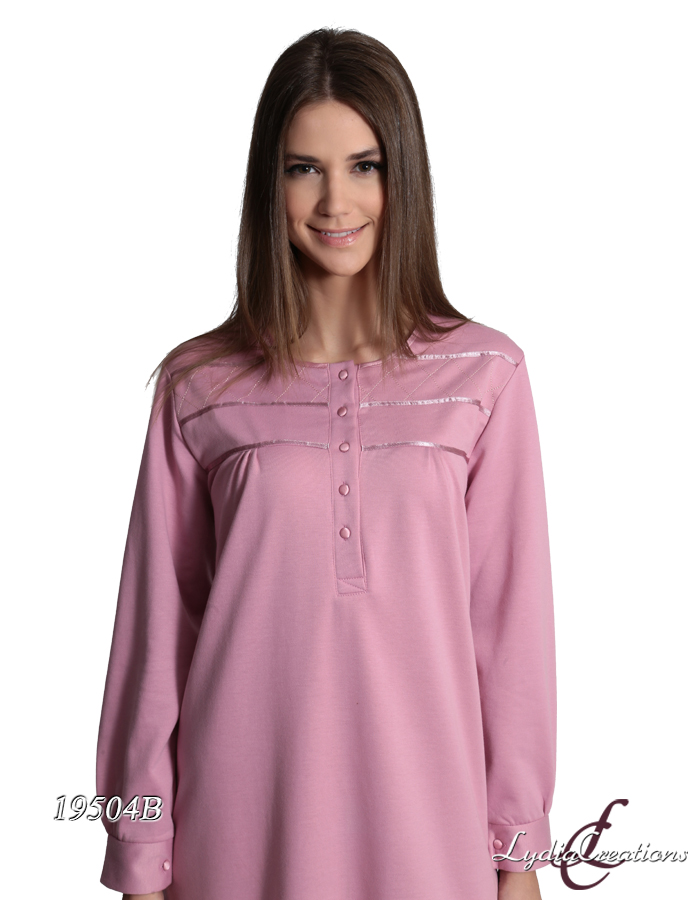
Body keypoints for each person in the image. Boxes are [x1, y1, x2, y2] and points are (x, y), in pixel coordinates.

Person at [96, 26, 557, 900]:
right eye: (303, 167)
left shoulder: (485, 375)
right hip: (238, 837)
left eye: (364, 166)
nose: (335, 201)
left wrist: (519, 852)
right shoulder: (199, 385)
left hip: (431, 839)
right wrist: (138, 854)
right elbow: (154, 638)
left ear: (402, 175)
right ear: (267, 183)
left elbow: (512, 631)